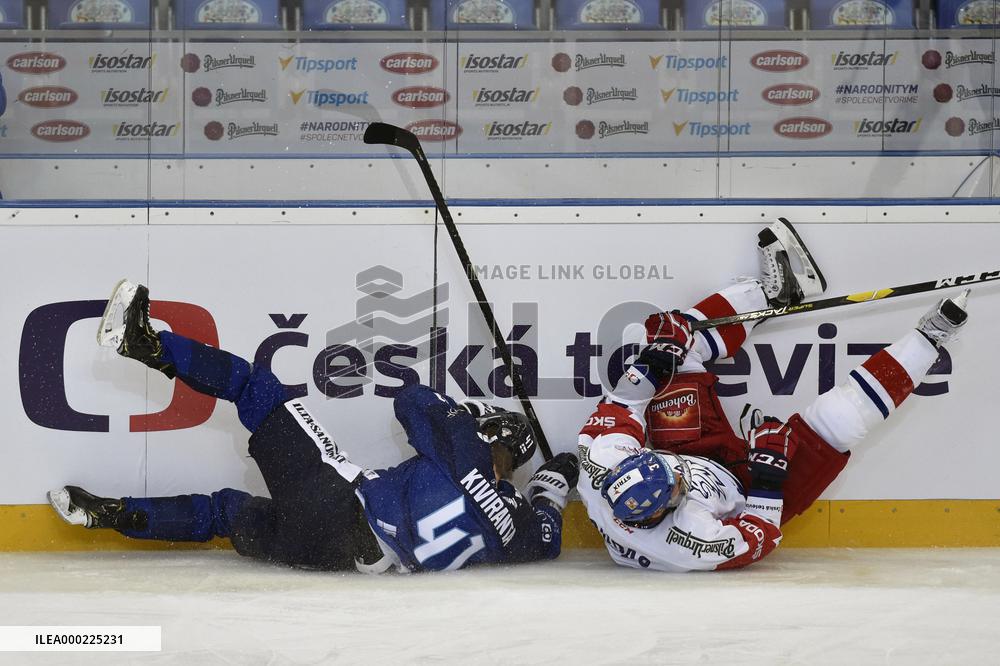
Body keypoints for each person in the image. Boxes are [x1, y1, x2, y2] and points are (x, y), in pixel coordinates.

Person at [49, 279, 579, 573]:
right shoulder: (515, 534)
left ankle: (143, 342)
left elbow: (413, 400)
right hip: (329, 558)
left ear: (492, 437)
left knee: (253, 389)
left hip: (337, 503)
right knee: (225, 513)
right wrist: (554, 478)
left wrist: (465, 413)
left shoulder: (462, 448)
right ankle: (107, 515)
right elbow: (549, 532)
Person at [577, 218, 970, 572]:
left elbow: (622, 404)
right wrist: (767, 477)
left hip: (696, 450)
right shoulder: (686, 541)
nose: (679, 477)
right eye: (676, 485)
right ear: (661, 512)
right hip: (749, 494)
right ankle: (929, 341)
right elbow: (759, 536)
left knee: (668, 338)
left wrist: (653, 361)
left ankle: (772, 293)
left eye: (664, 468)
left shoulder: (601, 466)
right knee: (839, 420)